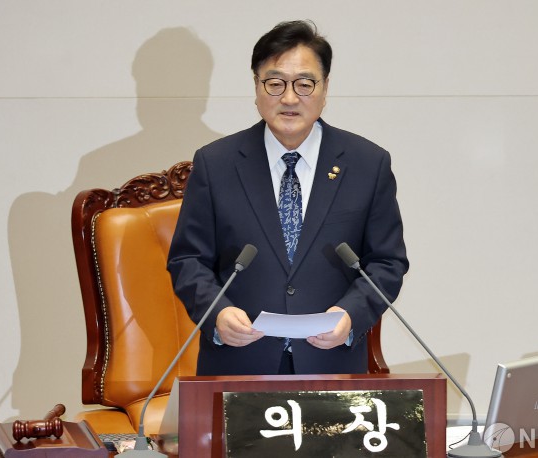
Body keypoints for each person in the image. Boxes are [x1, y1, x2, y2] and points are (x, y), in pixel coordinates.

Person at [167, 20, 408, 375]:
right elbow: (188, 259)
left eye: (304, 84)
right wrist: (217, 312)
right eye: (275, 83)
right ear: (256, 87)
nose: (290, 98)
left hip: (331, 365)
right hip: (238, 365)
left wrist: (350, 315)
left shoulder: (367, 164)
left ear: (325, 88)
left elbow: (387, 263)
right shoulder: (216, 163)